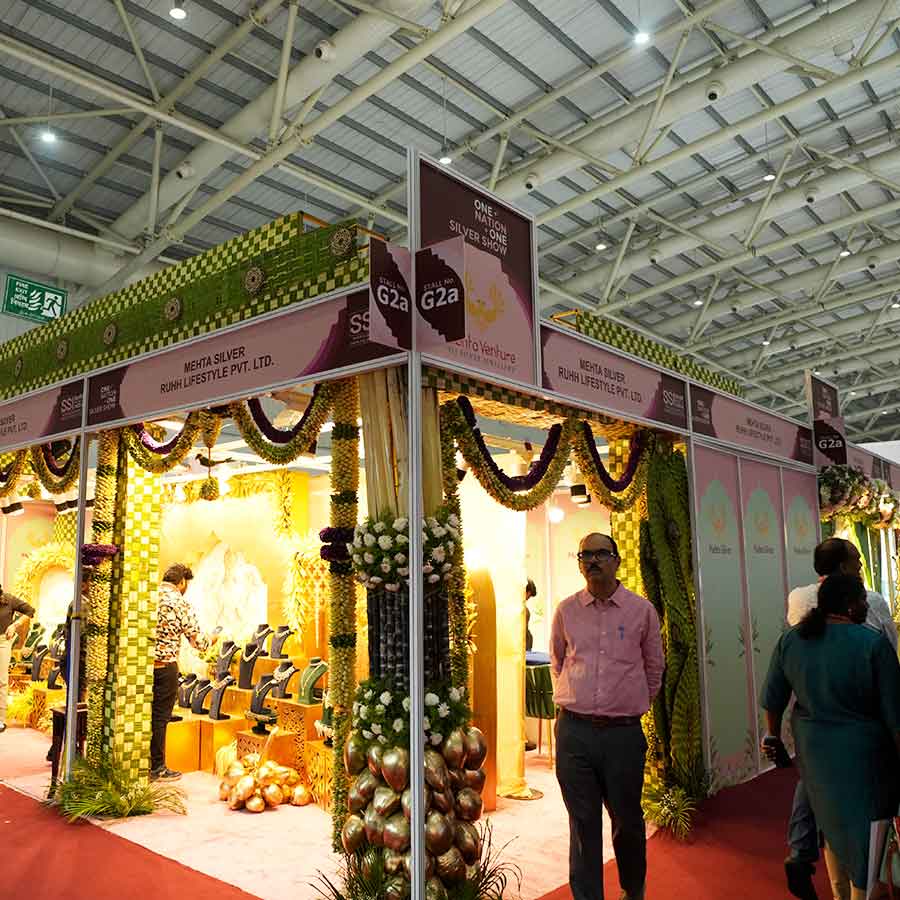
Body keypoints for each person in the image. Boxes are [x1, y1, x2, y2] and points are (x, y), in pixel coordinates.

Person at [762, 574, 900, 900]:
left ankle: (836, 891)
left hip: (814, 755)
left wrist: (773, 737)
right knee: (866, 840)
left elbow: (772, 700)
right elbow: (896, 718)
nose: (866, 607)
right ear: (850, 605)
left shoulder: (791, 641)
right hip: (864, 761)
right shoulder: (872, 645)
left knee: (831, 825)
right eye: (863, 601)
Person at [550, 533, 664, 900]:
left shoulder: (641, 611)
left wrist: (628, 702)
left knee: (627, 820)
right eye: (585, 555)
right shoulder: (566, 610)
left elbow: (654, 668)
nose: (593, 560)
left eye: (601, 553)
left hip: (622, 735)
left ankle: (632, 890)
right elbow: (557, 662)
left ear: (616, 560)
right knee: (582, 824)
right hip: (574, 733)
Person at [151, 563, 208, 781]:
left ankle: (141, 761)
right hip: (165, 667)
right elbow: (199, 642)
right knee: (160, 717)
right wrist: (212, 638)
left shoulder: (149, 596)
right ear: (182, 582)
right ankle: (157, 767)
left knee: (145, 715)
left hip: (142, 667)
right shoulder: (179, 602)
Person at [0, 584, 35, 734]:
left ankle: (1, 719)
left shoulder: (9, 600)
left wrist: (15, 625)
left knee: (1, 681)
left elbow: (30, 611)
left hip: (2, 642)